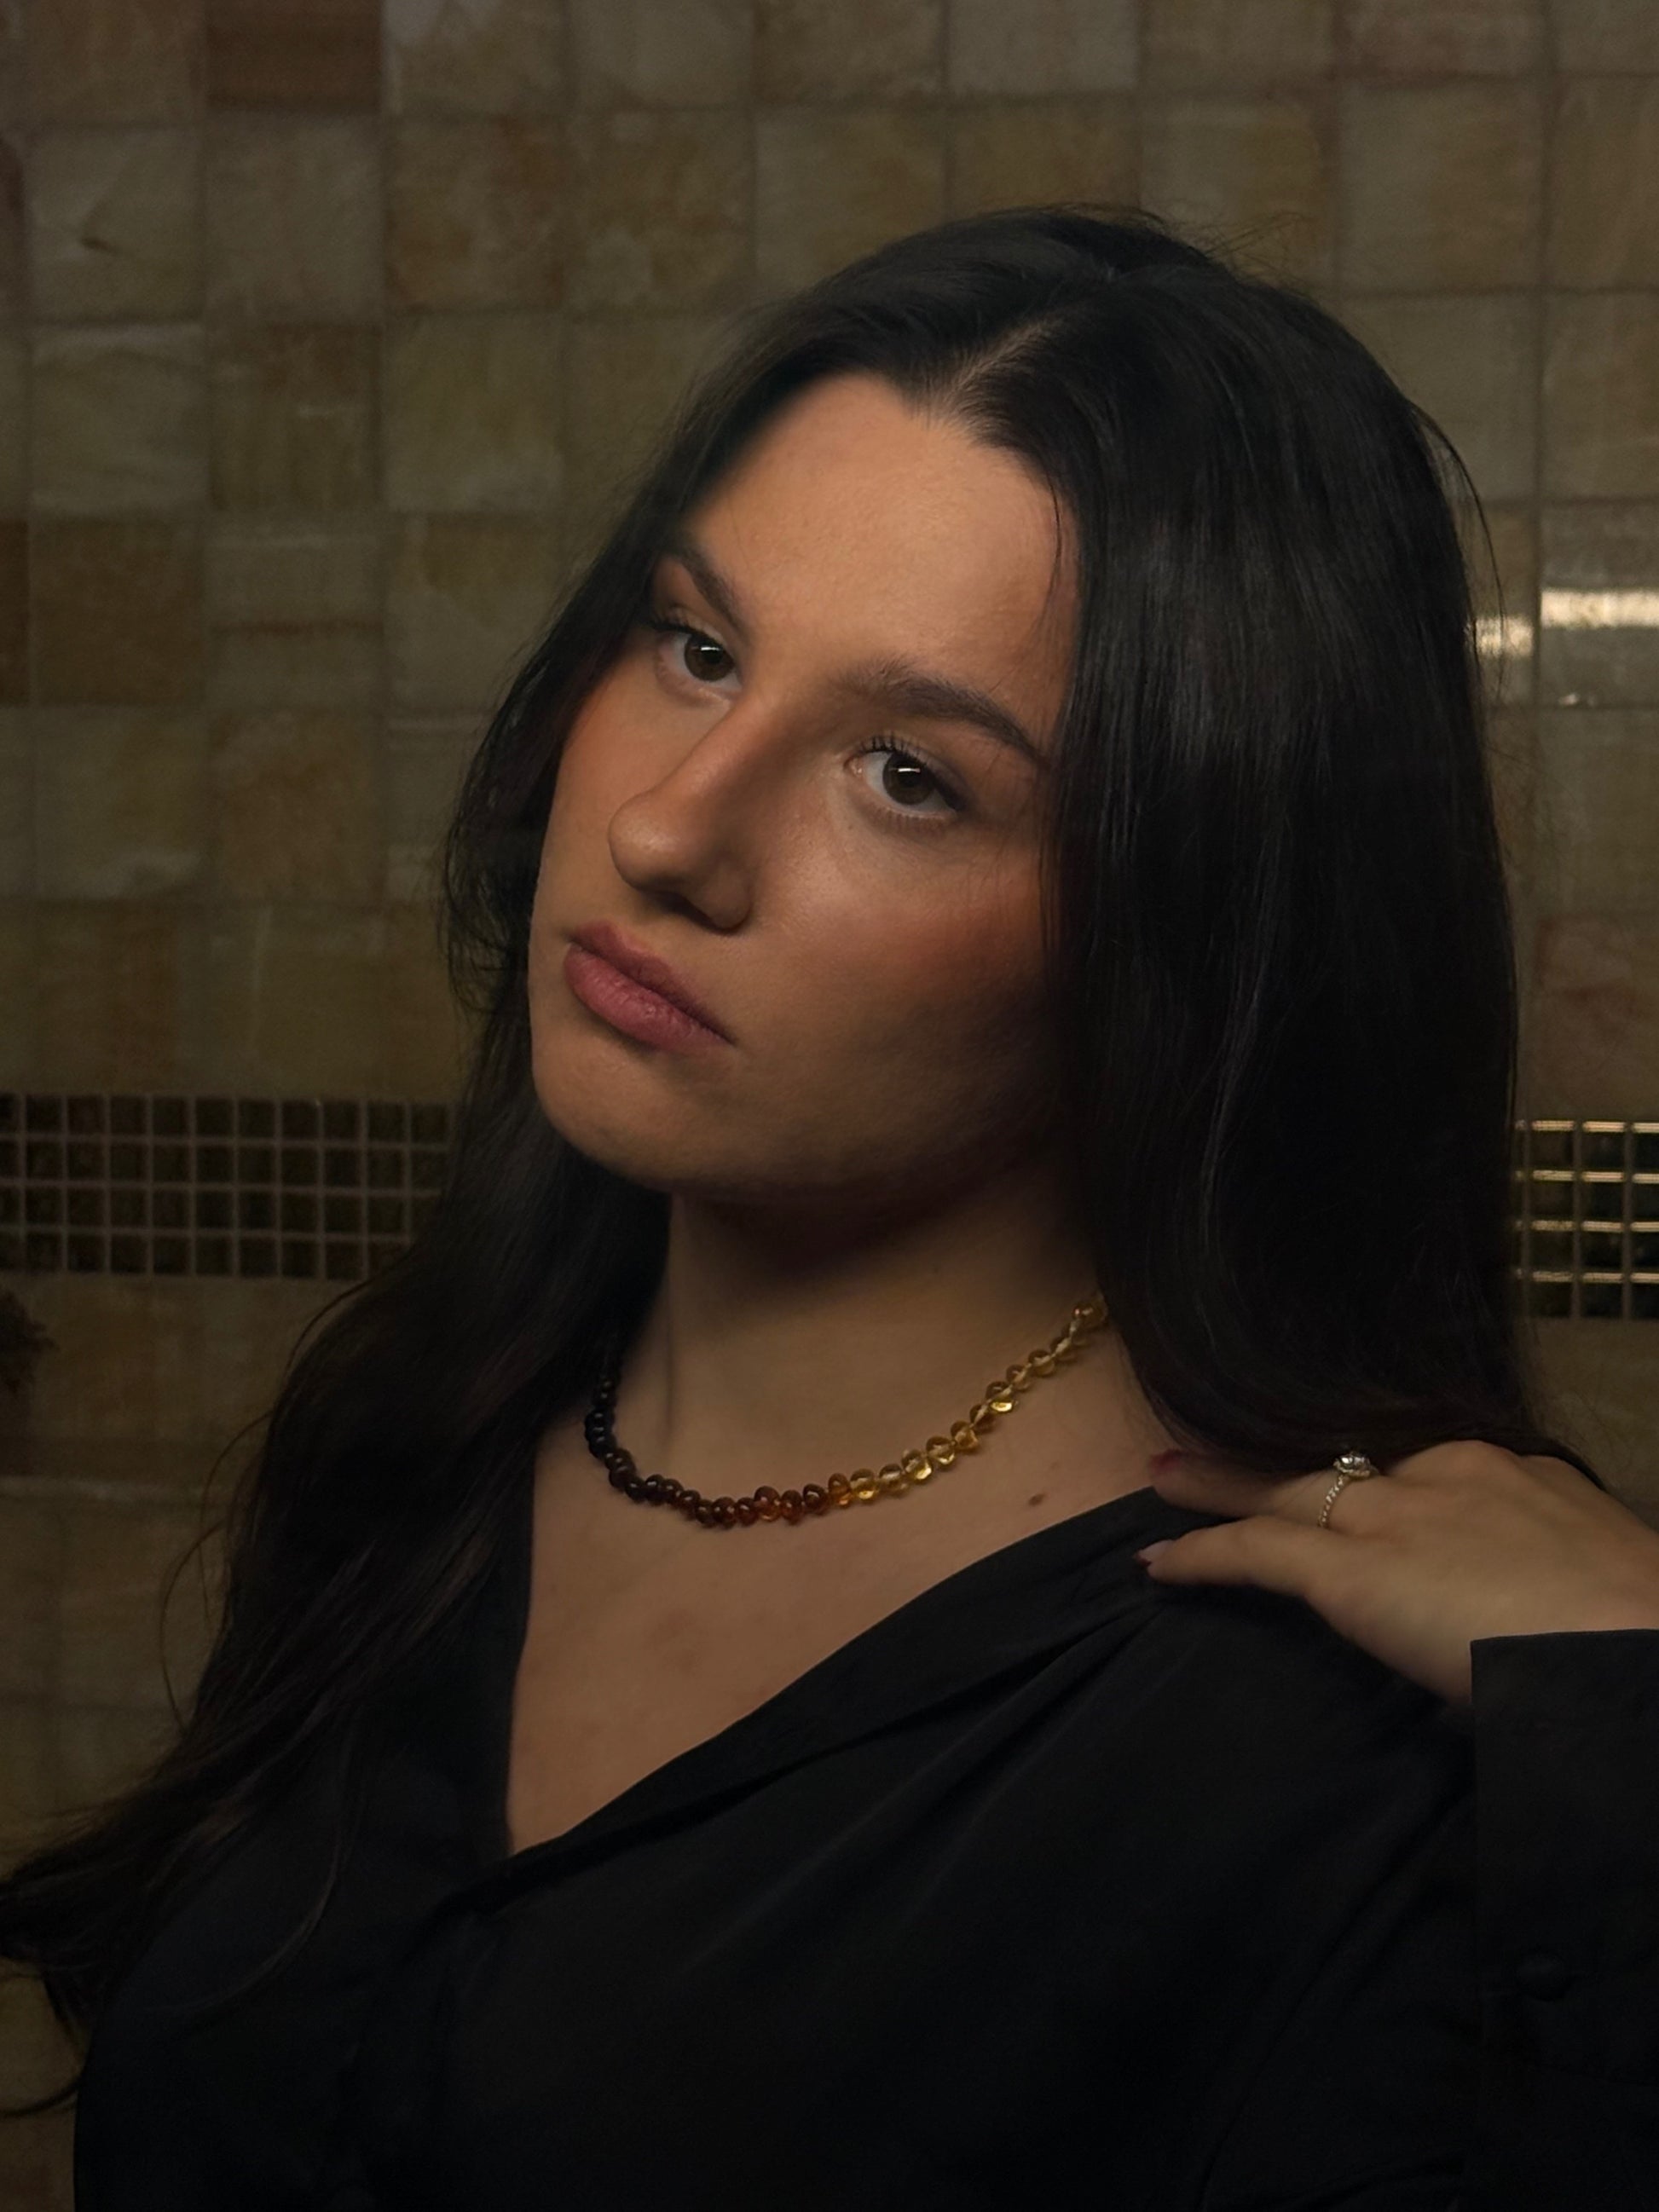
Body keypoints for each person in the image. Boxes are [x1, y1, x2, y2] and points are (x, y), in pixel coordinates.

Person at [3, 204, 1657, 2209]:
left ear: (1185, 928)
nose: (666, 827)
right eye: (696, 648)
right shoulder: (421, 1437)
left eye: (906, 773)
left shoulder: (1315, 1716)